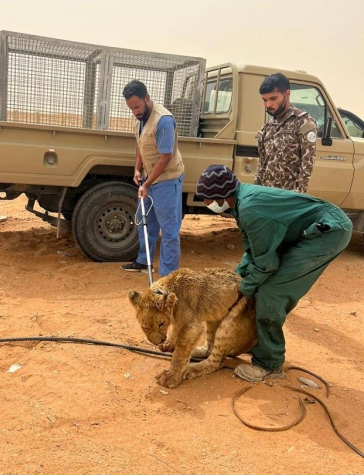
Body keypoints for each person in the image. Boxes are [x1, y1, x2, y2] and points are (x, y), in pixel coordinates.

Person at [196, 164, 352, 383]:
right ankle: (258, 345)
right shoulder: (240, 203)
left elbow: (266, 264)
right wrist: (236, 278)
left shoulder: (250, 208)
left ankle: (270, 364)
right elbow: (253, 250)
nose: (205, 203)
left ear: (220, 195)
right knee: (253, 284)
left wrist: (242, 290)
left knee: (272, 292)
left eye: (206, 198)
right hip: (312, 228)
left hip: (327, 232)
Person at [120, 80, 184, 276]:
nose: (135, 111)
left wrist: (146, 184)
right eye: (131, 108)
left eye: (137, 106)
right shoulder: (138, 118)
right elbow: (140, 144)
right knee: (144, 219)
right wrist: (137, 169)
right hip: (149, 178)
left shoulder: (163, 120)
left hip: (167, 180)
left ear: (147, 98)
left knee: (169, 229)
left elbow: (165, 158)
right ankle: (143, 260)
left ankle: (168, 274)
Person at [255, 72, 318, 193]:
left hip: (289, 198)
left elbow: (307, 165)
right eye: (265, 100)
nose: (268, 105)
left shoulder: (303, 122)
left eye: (273, 99)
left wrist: (297, 197)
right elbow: (261, 167)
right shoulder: (267, 128)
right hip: (266, 196)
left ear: (287, 94)